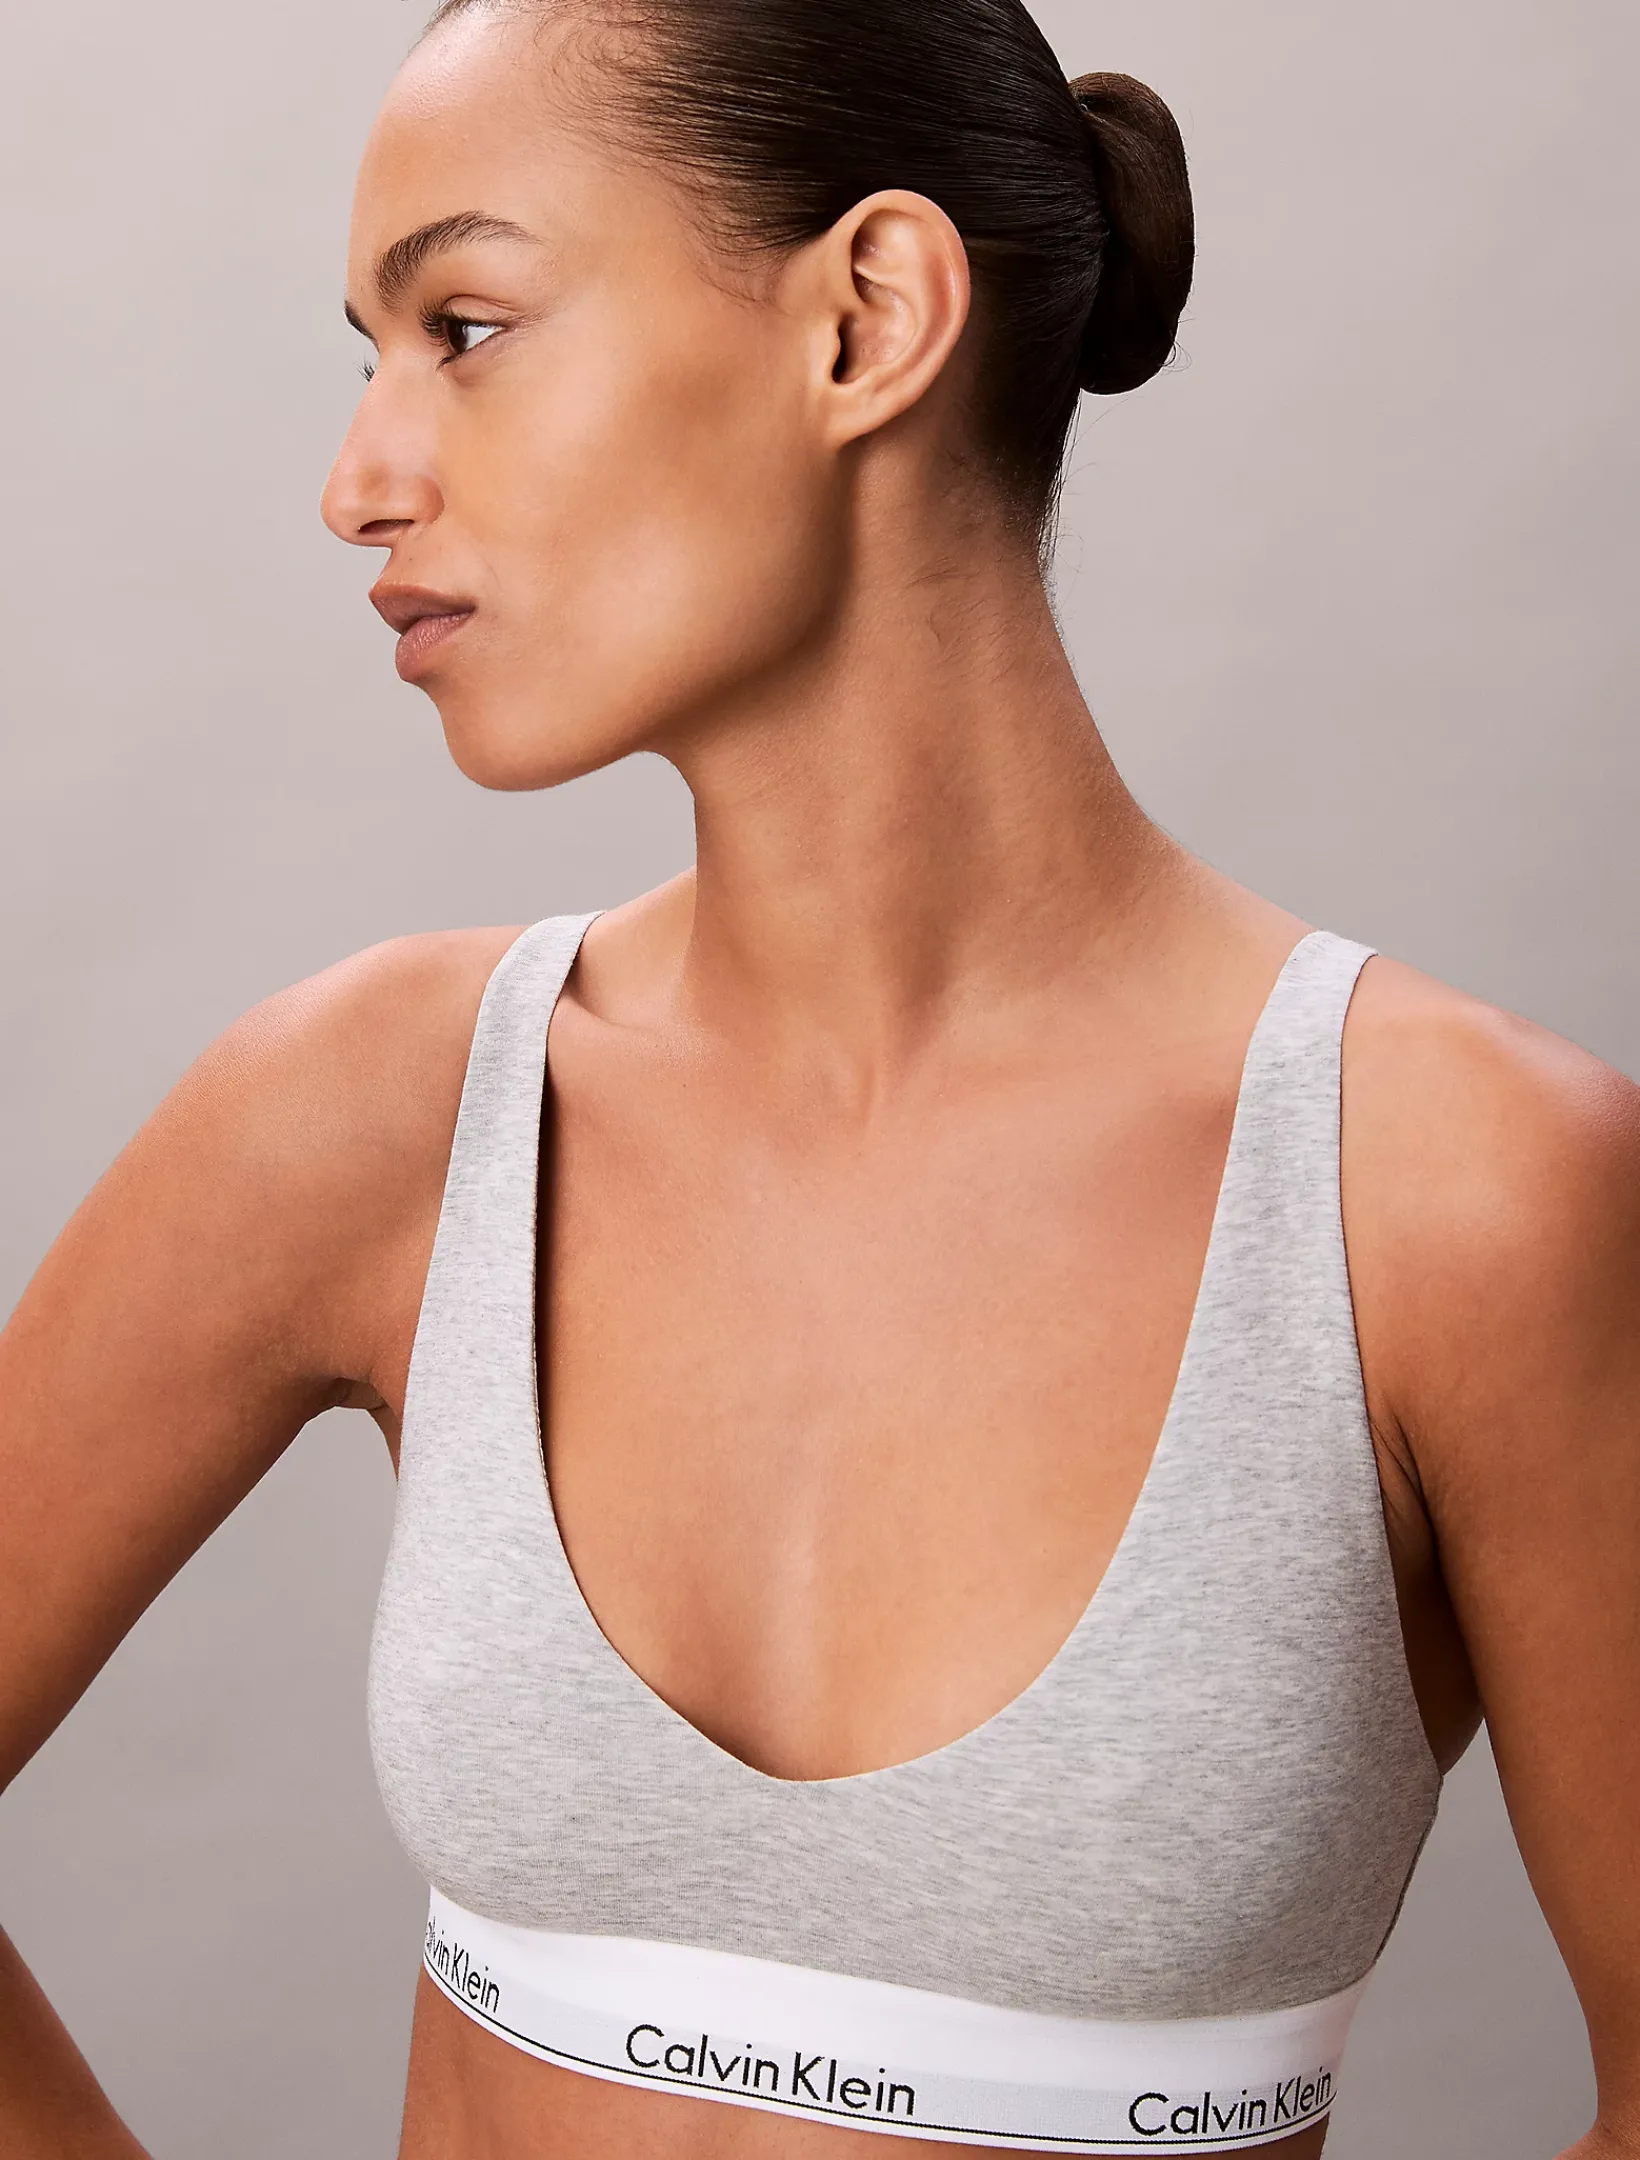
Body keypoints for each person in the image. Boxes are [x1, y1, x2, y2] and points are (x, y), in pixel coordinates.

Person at [2, 0, 1636, 2154]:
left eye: (465, 329)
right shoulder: (380, 1111)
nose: (359, 480)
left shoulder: (1452, 1193)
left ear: (869, 316)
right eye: (368, 356)